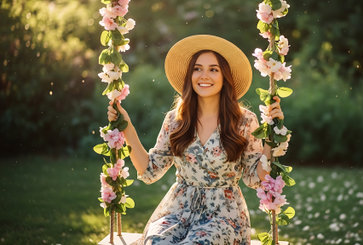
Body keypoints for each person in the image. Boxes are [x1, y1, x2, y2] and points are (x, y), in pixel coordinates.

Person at [107, 35, 284, 244]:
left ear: (225, 76)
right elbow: (150, 170)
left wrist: (273, 137)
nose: (204, 75)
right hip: (177, 210)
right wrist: (126, 127)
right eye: (197, 68)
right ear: (190, 75)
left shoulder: (244, 121)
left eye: (213, 69)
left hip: (223, 216)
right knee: (156, 241)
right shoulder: (176, 120)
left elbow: (256, 177)